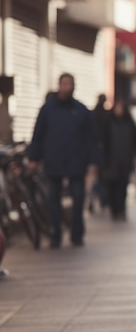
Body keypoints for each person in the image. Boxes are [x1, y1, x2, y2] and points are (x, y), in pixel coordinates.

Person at [26, 73, 99, 248]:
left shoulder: (81, 110)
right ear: (59, 85)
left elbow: (91, 139)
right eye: (63, 84)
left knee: (78, 198)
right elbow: (38, 134)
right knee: (53, 200)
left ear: (74, 86)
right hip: (54, 161)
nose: (66, 87)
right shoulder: (48, 109)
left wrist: (93, 162)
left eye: (69, 84)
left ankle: (77, 234)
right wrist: (33, 157)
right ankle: (55, 234)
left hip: (76, 162)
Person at [101, 99, 136, 221]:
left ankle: (121, 209)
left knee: (123, 186)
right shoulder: (108, 124)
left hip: (125, 160)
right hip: (111, 161)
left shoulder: (130, 124)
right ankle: (114, 209)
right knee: (112, 186)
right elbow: (104, 142)